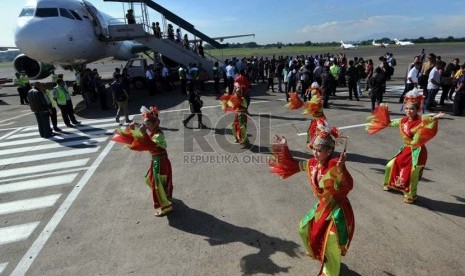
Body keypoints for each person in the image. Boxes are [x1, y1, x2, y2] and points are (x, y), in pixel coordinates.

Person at [269, 121, 354, 276]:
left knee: (331, 240)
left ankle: (331, 272)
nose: (315, 153)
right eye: (314, 149)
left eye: (319, 150)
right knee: (303, 229)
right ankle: (319, 254)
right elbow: (292, 165)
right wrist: (284, 147)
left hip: (336, 208)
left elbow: (346, 186)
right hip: (323, 205)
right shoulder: (312, 163)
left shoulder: (334, 164)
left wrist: (341, 169)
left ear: (329, 151)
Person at [367, 88, 444, 203]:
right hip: (406, 149)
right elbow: (389, 123)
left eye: (412, 109)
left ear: (417, 109)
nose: (408, 111)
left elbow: (429, 120)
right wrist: (383, 110)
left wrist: (435, 118)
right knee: (390, 165)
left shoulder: (421, 120)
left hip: (417, 151)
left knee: (412, 173)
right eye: (407, 108)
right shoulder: (403, 121)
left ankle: (410, 194)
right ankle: (391, 184)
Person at [112, 106, 173, 216]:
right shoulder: (153, 133)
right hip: (157, 161)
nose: (145, 126)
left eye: (147, 124)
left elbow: (149, 145)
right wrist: (134, 130)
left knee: (157, 184)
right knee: (149, 180)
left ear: (155, 124)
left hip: (160, 162)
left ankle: (165, 207)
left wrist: (142, 133)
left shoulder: (158, 135)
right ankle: (164, 196)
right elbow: (143, 141)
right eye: (145, 124)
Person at [220, 82, 249, 148]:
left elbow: (245, 106)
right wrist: (227, 93)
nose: (237, 93)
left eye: (238, 91)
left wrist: (239, 103)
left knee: (242, 128)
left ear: (240, 92)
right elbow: (228, 100)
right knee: (234, 126)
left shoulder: (242, 99)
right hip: (238, 114)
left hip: (242, 115)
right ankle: (237, 138)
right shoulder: (235, 97)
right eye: (236, 91)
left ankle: (244, 142)